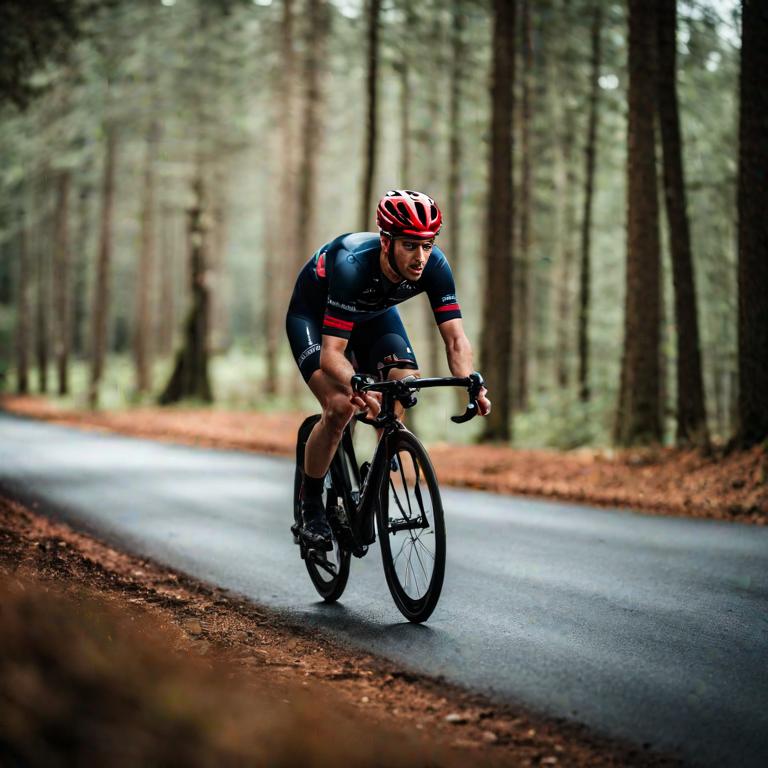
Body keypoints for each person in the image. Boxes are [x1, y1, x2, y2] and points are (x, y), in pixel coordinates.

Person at [285, 189, 491, 549]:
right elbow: (333, 354)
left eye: (427, 245)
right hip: (315, 320)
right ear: (386, 242)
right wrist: (356, 383)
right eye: (410, 245)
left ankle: (374, 476)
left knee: (404, 385)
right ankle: (312, 504)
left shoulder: (435, 265)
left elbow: (456, 340)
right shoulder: (352, 264)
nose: (421, 257)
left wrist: (471, 383)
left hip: (372, 317)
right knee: (341, 405)